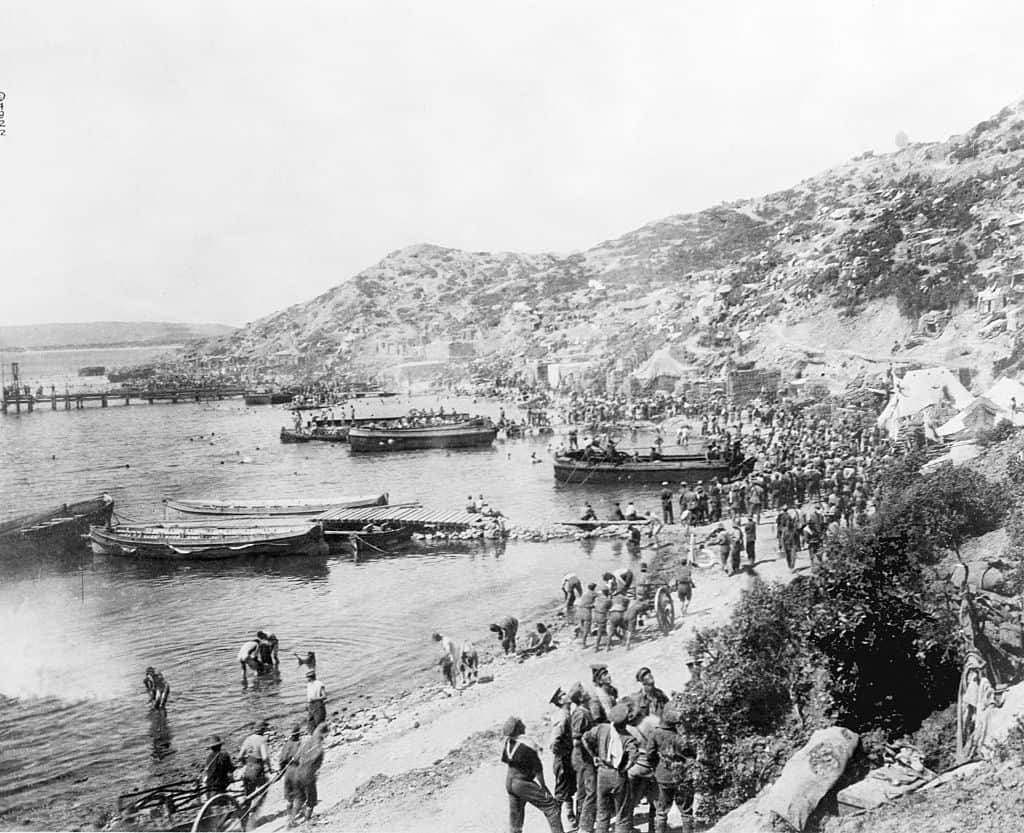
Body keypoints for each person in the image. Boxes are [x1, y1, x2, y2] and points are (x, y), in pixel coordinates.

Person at [501, 716, 565, 833]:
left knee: (516, 817)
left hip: (509, 782)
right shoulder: (527, 745)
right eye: (521, 724)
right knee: (552, 807)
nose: (524, 726)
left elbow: (508, 762)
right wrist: (543, 787)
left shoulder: (508, 743)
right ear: (518, 729)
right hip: (522, 783)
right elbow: (538, 770)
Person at [582, 703, 638, 833]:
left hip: (602, 773)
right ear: (626, 721)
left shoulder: (602, 728)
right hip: (618, 775)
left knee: (602, 811)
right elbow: (633, 757)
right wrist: (625, 768)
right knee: (622, 813)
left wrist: (594, 755)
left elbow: (585, 738)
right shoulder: (628, 738)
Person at [646, 707, 696, 833]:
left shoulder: (655, 734)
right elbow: (692, 754)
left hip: (663, 775)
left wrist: (655, 768)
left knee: (661, 811)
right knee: (686, 811)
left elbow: (650, 755)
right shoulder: (684, 736)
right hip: (683, 775)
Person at [285, 722, 328, 825]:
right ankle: (307, 820)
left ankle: (291, 820)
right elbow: (317, 766)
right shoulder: (320, 749)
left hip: (298, 773)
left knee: (300, 798)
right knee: (311, 799)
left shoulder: (306, 743)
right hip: (308, 775)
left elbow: (295, 758)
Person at [569, 682, 597, 833]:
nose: (587, 692)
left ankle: (581, 822)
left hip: (582, 756)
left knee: (582, 791)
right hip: (584, 757)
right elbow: (577, 740)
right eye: (584, 691)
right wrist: (592, 754)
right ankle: (585, 827)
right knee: (590, 791)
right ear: (581, 696)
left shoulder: (583, 710)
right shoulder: (581, 713)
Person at [548, 687, 577, 830]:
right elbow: (554, 743)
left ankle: (571, 822)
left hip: (567, 759)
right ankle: (557, 826)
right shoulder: (562, 717)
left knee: (569, 790)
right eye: (563, 695)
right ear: (560, 700)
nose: (567, 695)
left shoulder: (567, 714)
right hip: (563, 760)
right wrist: (564, 754)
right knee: (561, 794)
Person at [238, 720, 272, 799]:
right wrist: (269, 767)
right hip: (257, 770)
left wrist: (244, 763)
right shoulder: (262, 740)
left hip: (247, 770)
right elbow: (265, 757)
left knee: (248, 795)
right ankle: (258, 809)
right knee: (263, 791)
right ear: (262, 730)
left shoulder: (248, 739)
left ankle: (248, 809)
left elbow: (240, 756)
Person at [201, 735, 235, 799]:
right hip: (220, 782)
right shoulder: (224, 755)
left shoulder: (209, 757)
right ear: (220, 746)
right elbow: (230, 769)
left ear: (211, 748)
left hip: (210, 782)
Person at [305, 669, 327, 733]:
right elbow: (309, 696)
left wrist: (315, 699)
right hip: (310, 706)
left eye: (308, 677)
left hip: (318, 705)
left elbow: (324, 696)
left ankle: (321, 739)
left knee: (319, 724)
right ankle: (314, 738)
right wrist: (307, 704)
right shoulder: (309, 684)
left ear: (312, 677)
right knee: (310, 724)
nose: (307, 679)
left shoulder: (320, 684)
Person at [577, 583, 597, 647]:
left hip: (580, 610)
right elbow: (602, 596)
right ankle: (584, 643)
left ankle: (585, 636)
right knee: (586, 627)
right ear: (594, 588)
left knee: (582, 626)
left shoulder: (584, 593)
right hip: (586, 611)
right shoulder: (594, 593)